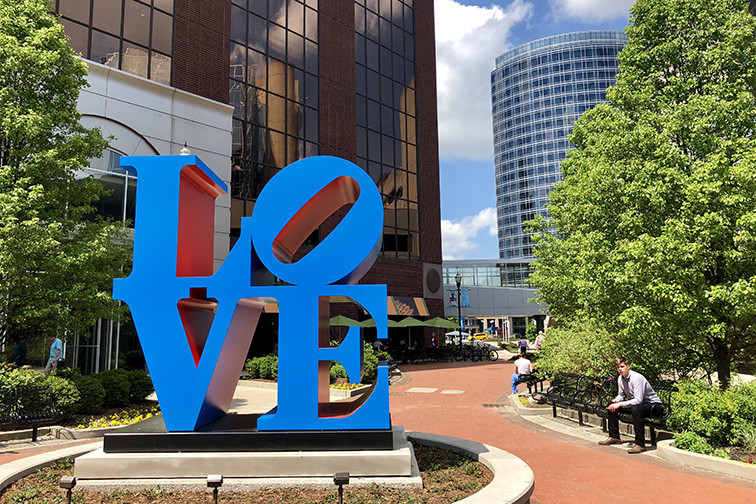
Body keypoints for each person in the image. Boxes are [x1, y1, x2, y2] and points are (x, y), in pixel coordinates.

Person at [599, 357, 663, 454]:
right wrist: (616, 401)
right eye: (618, 367)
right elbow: (621, 395)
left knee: (636, 409)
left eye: (622, 366)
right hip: (638, 406)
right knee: (611, 406)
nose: (620, 369)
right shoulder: (620, 378)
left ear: (628, 367)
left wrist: (620, 404)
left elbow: (638, 400)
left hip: (654, 406)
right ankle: (614, 437)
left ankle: (640, 444)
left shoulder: (636, 378)